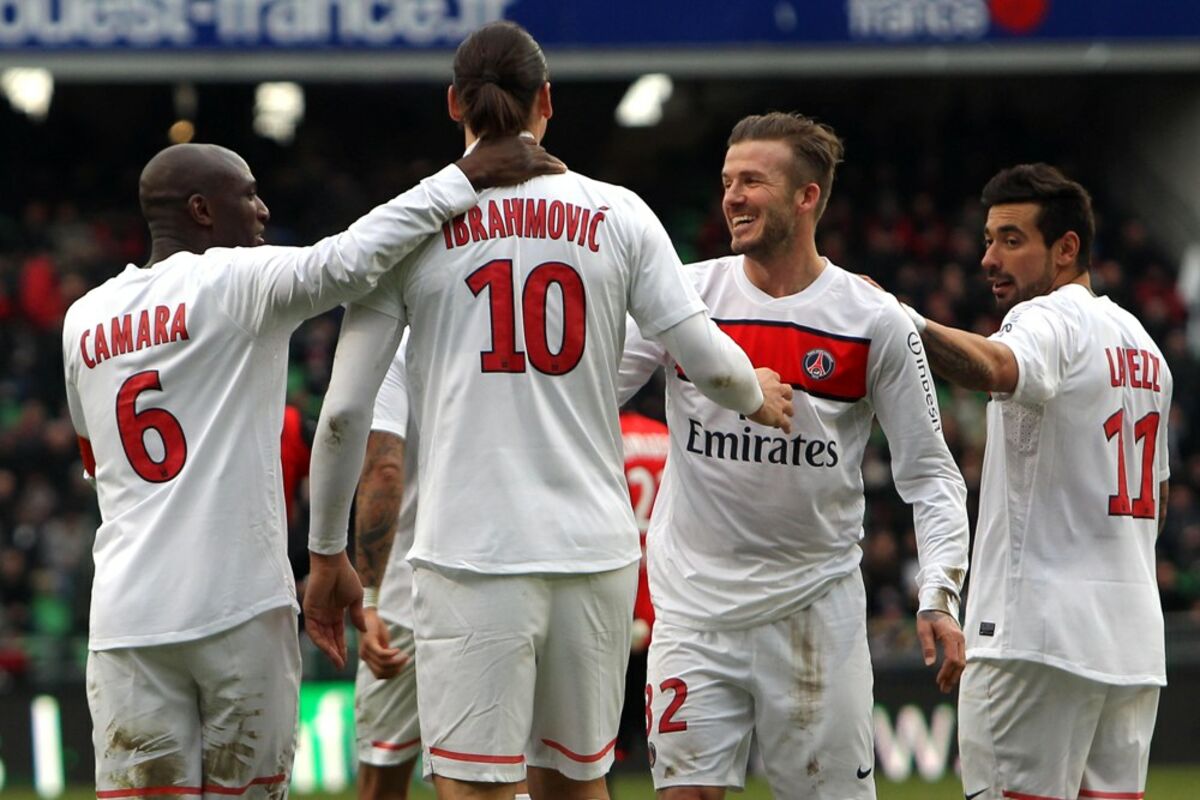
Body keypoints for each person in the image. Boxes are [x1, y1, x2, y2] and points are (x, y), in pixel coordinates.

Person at [305, 21, 794, 800]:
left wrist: (328, 553)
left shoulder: (411, 227)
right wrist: (754, 394)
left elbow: (343, 417)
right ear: (548, 102)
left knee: (477, 788)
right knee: (575, 783)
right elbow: (705, 356)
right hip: (594, 552)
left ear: (454, 104)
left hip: (472, 555)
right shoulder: (619, 213)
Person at [61, 138, 563, 797]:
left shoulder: (83, 318)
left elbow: (96, 464)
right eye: (248, 194)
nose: (263, 210)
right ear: (201, 210)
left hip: (126, 620)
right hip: (238, 611)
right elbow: (350, 260)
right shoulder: (235, 280)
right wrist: (465, 176)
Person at [618, 112, 970, 800]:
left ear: (808, 196)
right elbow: (584, 396)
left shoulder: (874, 320)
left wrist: (939, 593)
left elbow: (932, 475)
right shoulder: (683, 298)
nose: (732, 196)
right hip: (693, 607)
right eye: (728, 181)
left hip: (814, 609)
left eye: (752, 181)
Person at [902, 164, 1171, 800]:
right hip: (1131, 645)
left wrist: (900, 321)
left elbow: (998, 366)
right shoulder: (1147, 349)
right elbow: (1155, 501)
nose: (989, 259)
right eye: (988, 240)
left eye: (1011, 239)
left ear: (1066, 248)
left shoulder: (1049, 319)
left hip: (1034, 640)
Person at [351, 335, 531, 800]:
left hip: (406, 589)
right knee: (512, 768)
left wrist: (368, 598)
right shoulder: (517, 338)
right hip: (513, 574)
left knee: (382, 775)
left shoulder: (397, 344)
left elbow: (384, 469)